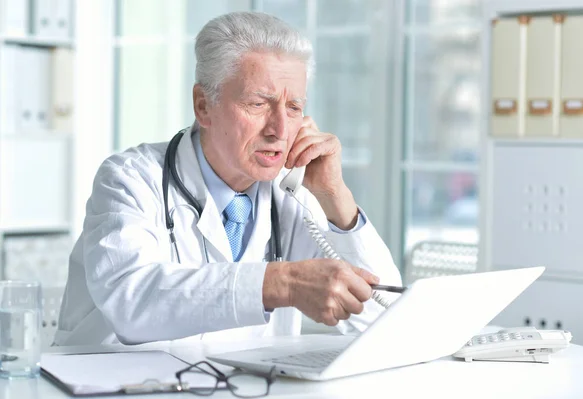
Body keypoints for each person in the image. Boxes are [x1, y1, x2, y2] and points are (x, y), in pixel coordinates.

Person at [56, 11, 402, 346]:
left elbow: (383, 321)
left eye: (294, 107)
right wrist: (283, 284)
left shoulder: (295, 195)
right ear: (203, 106)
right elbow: (130, 298)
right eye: (258, 104)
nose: (280, 129)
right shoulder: (130, 180)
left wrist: (336, 198)